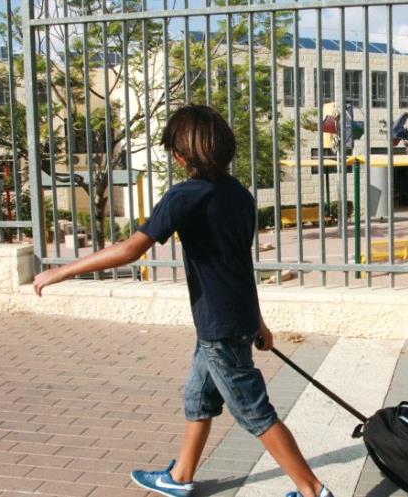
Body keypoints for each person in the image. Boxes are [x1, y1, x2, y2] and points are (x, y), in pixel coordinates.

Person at [33, 105, 333, 497]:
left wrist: (60, 271)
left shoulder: (183, 197)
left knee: (254, 411)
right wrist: (257, 322)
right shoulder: (240, 196)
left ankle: (312, 491)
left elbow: (129, 250)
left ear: (179, 155)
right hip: (230, 319)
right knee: (198, 396)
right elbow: (240, 266)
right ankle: (179, 477)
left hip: (219, 326)